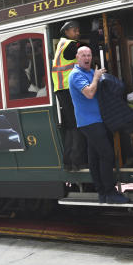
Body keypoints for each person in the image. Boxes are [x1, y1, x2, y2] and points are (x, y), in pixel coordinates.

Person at [68, 46, 129, 204]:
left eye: (89, 55)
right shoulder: (76, 75)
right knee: (107, 155)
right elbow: (89, 93)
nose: (87, 58)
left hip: (98, 120)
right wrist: (96, 78)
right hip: (89, 122)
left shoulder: (89, 72)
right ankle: (110, 192)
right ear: (77, 57)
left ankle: (102, 193)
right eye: (83, 55)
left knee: (94, 158)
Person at [52, 20, 86, 171]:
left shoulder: (61, 44)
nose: (77, 33)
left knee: (71, 126)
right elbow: (84, 51)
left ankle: (68, 162)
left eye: (78, 30)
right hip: (68, 89)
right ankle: (77, 162)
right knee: (77, 125)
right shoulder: (71, 45)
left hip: (62, 89)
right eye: (74, 30)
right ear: (66, 32)